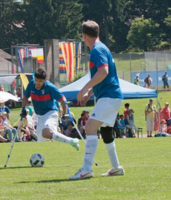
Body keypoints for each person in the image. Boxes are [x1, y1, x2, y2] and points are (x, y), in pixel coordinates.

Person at [70, 20, 124, 180]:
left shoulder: (96, 50)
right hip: (111, 95)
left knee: (90, 127)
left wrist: (84, 88)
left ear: (84, 35)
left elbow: (103, 72)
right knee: (106, 131)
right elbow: (102, 77)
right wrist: (91, 92)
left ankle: (86, 169)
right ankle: (116, 167)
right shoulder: (102, 48)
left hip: (109, 96)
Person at [22, 68, 80, 149]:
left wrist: (65, 113)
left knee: (46, 133)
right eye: (36, 80)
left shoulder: (50, 87)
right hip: (40, 115)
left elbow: (63, 99)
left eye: (40, 81)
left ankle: (72, 141)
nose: (37, 83)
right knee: (41, 139)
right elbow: (25, 97)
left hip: (51, 113)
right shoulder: (31, 84)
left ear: (45, 80)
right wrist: (23, 109)